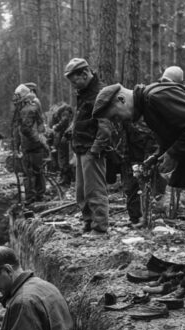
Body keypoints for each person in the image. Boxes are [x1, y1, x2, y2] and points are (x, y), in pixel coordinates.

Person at [92, 82, 185, 297]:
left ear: (121, 99)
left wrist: (174, 154)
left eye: (116, 116)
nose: (119, 122)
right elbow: (180, 131)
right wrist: (159, 156)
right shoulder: (150, 104)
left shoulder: (156, 97)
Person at [64, 58, 112, 237]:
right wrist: (72, 129)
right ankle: (88, 222)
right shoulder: (84, 92)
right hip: (81, 147)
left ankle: (100, 227)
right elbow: (82, 116)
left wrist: (96, 149)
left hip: (92, 149)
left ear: (84, 74)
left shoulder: (100, 93)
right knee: (82, 191)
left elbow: (106, 125)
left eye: (74, 81)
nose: (73, 85)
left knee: (95, 190)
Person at [12, 84, 49, 204]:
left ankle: (33, 197)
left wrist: (38, 139)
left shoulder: (27, 109)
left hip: (31, 145)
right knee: (36, 171)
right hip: (31, 145)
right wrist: (40, 139)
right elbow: (20, 129)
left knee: (31, 172)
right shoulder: (25, 109)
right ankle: (37, 196)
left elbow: (24, 129)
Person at [50, 103, 75, 186]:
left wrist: (55, 127)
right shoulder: (66, 112)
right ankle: (65, 178)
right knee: (63, 160)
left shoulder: (64, 113)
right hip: (64, 138)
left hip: (65, 139)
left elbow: (64, 121)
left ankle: (66, 179)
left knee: (64, 160)